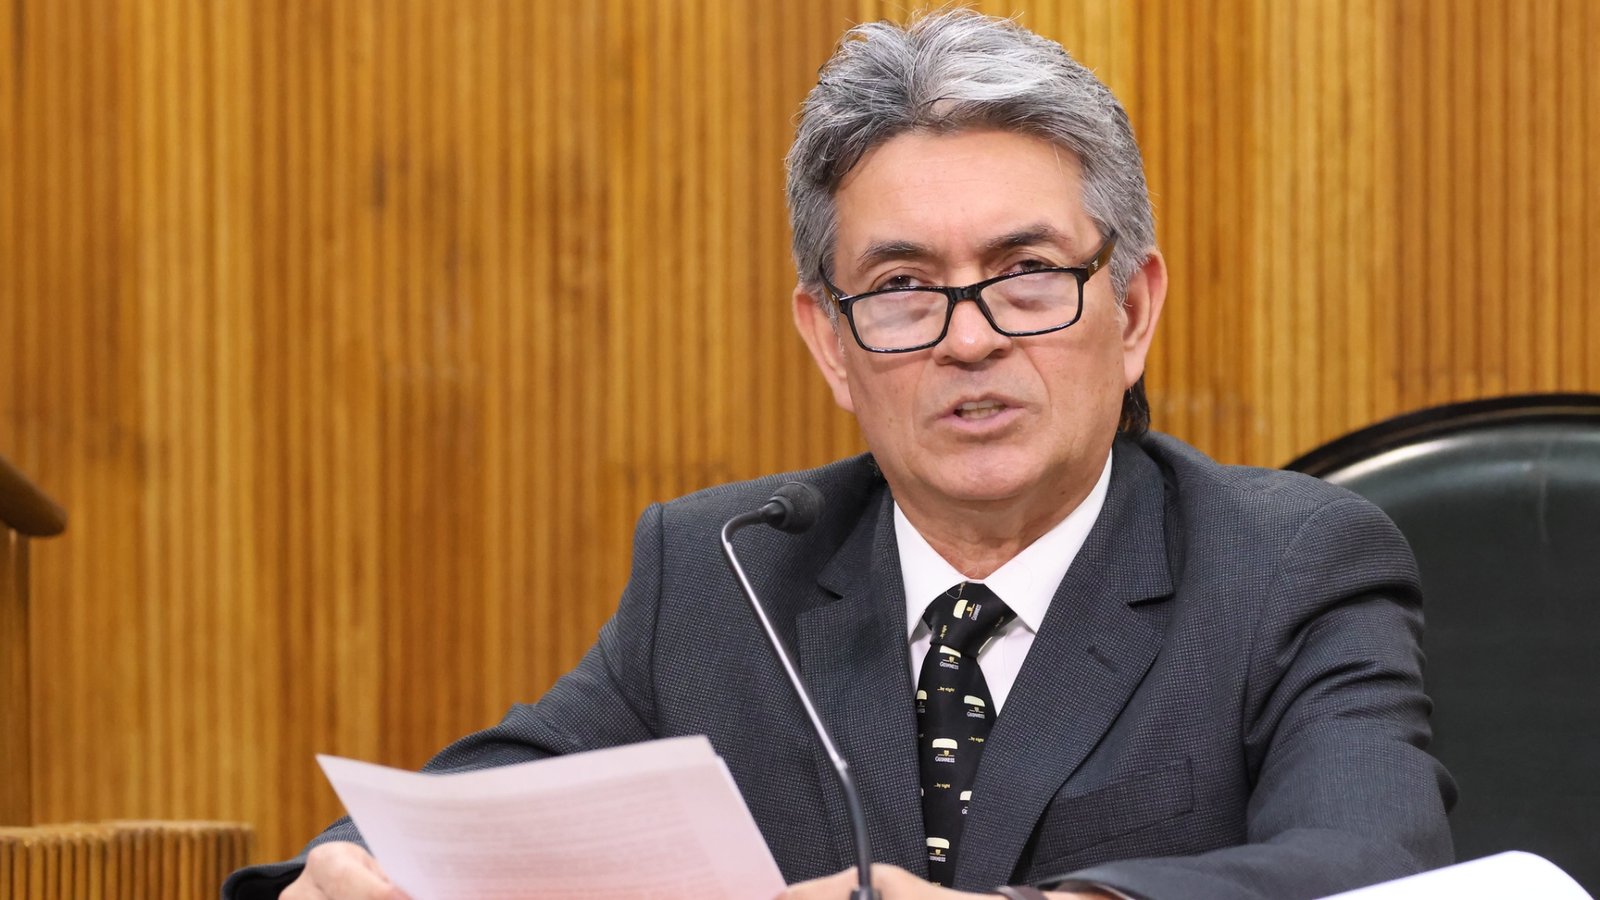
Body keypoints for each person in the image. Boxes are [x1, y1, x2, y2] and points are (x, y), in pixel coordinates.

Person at [226, 11, 1455, 900]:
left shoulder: (1288, 564)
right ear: (829, 341)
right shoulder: (724, 572)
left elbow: (1374, 860)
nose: (969, 340)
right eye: (902, 288)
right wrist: (352, 871)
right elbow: (473, 813)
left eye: (1027, 278)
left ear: (1130, 310)